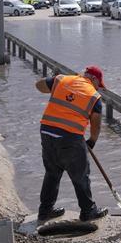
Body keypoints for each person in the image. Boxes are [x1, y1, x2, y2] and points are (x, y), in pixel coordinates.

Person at [35, 65, 108, 222]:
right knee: (80, 175)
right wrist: (92, 140)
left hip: (47, 132)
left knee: (52, 172)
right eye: (98, 84)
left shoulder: (62, 79)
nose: (98, 88)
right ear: (93, 79)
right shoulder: (94, 96)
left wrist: (56, 84)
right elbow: (96, 124)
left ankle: (45, 211)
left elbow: (39, 85)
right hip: (70, 137)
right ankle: (88, 212)